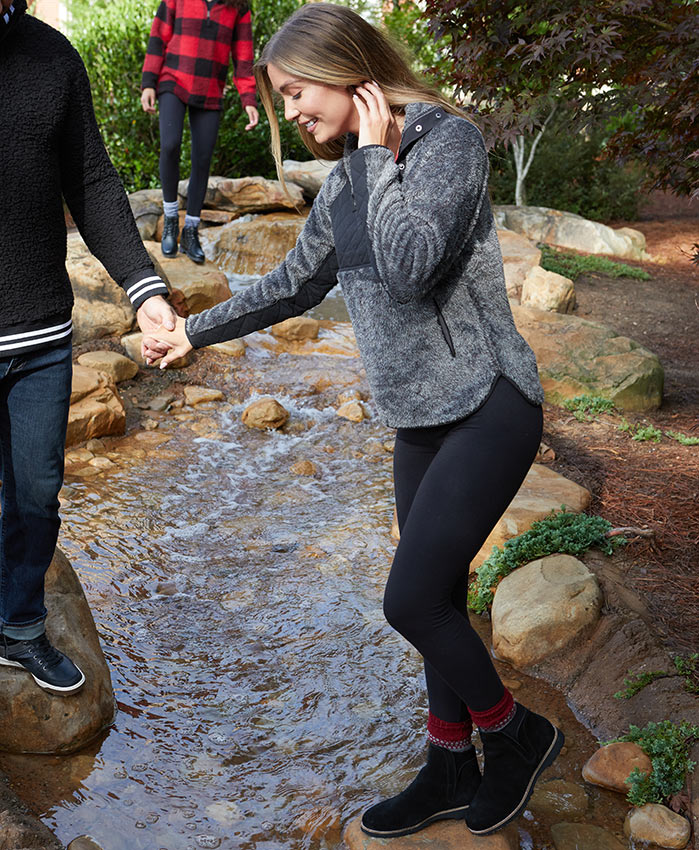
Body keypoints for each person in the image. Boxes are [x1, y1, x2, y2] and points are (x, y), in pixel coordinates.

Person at [146, 3, 564, 837]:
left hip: (488, 402)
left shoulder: (447, 144)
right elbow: (294, 286)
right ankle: (449, 761)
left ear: (348, 70)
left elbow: (410, 266)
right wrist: (191, 330)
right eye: (285, 97)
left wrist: (374, 155)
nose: (292, 111)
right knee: (438, 595)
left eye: (299, 92)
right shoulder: (343, 183)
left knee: (408, 600)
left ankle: (516, 736)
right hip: (419, 419)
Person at [0, 0, 176, 695]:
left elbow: (93, 182)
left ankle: (17, 630)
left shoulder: (50, 57)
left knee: (38, 494)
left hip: (40, 333)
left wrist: (144, 287)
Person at [141, 0, 260, 264]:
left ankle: (191, 230)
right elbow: (158, 37)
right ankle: (171, 218)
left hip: (210, 88)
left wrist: (248, 100)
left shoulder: (238, 7)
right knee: (170, 145)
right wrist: (148, 82)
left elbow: (243, 57)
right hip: (173, 80)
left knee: (202, 158)